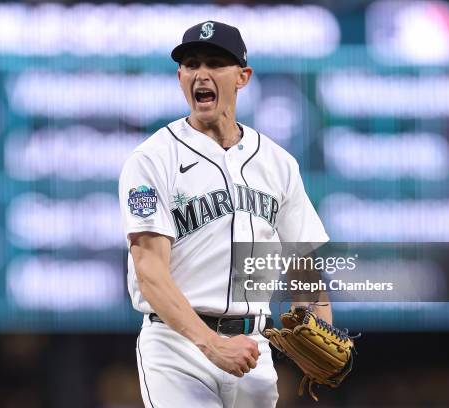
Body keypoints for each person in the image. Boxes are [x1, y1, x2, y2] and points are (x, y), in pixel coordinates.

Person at [119, 20, 331, 408]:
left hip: (254, 348)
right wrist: (211, 343)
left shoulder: (278, 162)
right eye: (191, 64)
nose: (202, 74)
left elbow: (303, 260)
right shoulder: (151, 159)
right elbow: (149, 271)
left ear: (242, 76)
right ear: (180, 76)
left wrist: (317, 324)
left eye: (215, 63)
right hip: (177, 346)